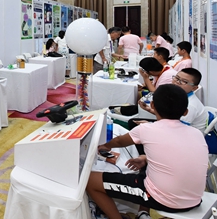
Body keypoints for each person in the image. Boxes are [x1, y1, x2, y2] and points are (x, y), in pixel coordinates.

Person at [86, 84, 208, 219]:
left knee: (90, 181)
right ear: (185, 112)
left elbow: (119, 141)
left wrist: (105, 146)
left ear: (153, 105)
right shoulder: (196, 133)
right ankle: (143, 213)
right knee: (148, 168)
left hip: (164, 200)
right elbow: (178, 157)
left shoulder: (147, 129)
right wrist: (145, 158)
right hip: (195, 199)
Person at [136, 68, 208, 131]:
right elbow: (172, 118)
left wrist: (151, 125)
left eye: (184, 81)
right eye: (177, 78)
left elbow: (177, 129)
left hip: (187, 137)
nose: (177, 82)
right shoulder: (178, 97)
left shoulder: (190, 105)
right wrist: (149, 110)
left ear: (194, 88)